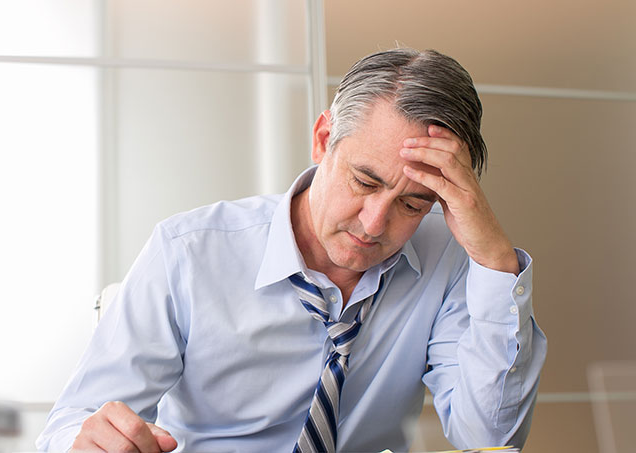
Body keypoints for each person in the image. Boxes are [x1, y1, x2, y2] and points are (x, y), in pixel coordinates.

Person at [36, 48, 547, 453]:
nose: (375, 225)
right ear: (324, 139)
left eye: (414, 204)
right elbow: (71, 423)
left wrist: (495, 264)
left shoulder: (453, 259)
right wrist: (91, 442)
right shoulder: (188, 253)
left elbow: (491, 436)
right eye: (365, 180)